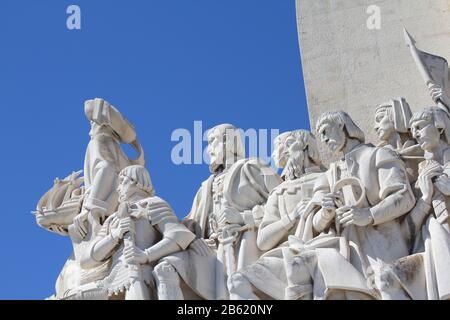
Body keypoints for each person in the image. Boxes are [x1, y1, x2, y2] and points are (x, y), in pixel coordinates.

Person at [276, 111, 416, 300]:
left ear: (342, 126)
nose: (324, 140)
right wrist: (326, 213)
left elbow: (403, 196)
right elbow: (315, 223)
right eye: (320, 136)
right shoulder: (329, 174)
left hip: (384, 244)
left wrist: (368, 214)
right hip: (348, 251)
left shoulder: (377, 154)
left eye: (326, 131)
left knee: (386, 287)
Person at [184, 124, 281, 299]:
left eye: (212, 142)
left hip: (248, 241)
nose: (208, 151)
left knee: (240, 291)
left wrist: (244, 218)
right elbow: (190, 222)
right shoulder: (206, 186)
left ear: (227, 141)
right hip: (216, 248)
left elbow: (282, 202)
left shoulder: (254, 166)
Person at [75, 165, 196, 300]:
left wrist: (146, 255)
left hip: (140, 274)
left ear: (136, 181)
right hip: (112, 280)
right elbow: (86, 260)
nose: (118, 188)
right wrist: (115, 235)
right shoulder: (113, 219)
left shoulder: (151, 204)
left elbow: (179, 235)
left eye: (123, 182)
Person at [228, 130, 324, 299]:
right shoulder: (278, 192)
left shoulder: (326, 177)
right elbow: (263, 241)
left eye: (280, 147)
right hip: (284, 255)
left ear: (301, 147)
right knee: (238, 282)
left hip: (321, 250)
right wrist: (291, 218)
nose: (274, 154)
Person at [374, 97, 423, 182]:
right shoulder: (377, 155)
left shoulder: (423, 149)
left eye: (380, 118)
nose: (375, 127)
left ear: (395, 116)